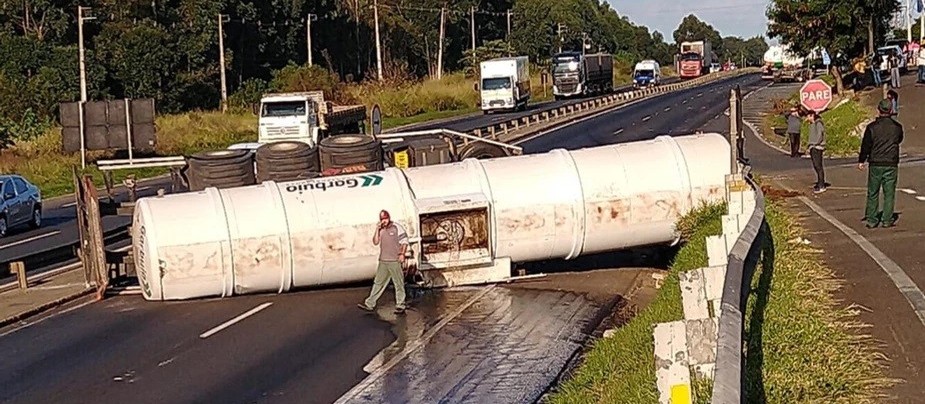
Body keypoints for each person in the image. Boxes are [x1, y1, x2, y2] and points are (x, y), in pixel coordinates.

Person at [858, 99, 904, 229]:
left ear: (878, 110)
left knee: (873, 191)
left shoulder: (872, 127)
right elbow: (899, 139)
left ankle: (872, 220)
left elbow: (866, 145)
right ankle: (887, 219)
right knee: (889, 192)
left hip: (876, 163)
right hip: (891, 162)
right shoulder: (897, 127)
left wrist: (862, 160)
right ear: (891, 110)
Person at [358, 210, 409, 314]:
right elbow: (375, 242)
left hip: (394, 260)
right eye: (382, 219)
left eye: (385, 219)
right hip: (383, 260)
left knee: (398, 283)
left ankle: (400, 304)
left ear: (389, 218)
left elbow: (404, 242)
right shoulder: (381, 230)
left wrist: (402, 254)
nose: (384, 221)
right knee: (378, 283)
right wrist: (377, 229)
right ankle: (370, 303)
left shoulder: (396, 227)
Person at [807, 111, 827, 194]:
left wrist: (815, 144)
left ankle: (821, 185)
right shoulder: (812, 124)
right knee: (816, 166)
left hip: (817, 148)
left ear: (812, 116)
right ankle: (820, 183)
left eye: (808, 116)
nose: (807, 118)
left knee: (818, 166)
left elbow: (819, 135)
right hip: (813, 147)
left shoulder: (818, 124)